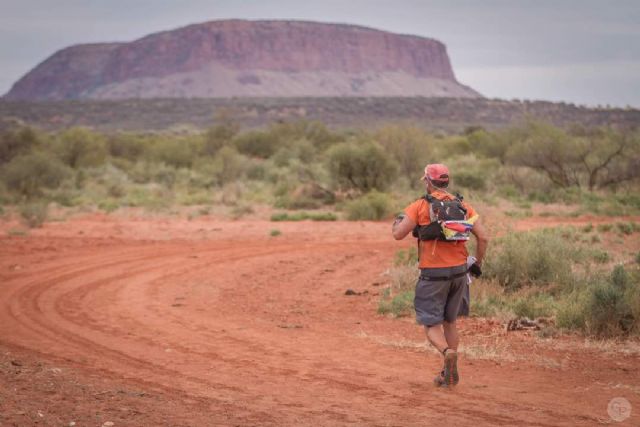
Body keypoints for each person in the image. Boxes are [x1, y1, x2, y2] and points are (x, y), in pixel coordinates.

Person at [391, 163, 489, 387]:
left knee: (431, 324)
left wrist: (398, 220)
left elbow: (398, 234)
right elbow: (483, 238)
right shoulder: (463, 205)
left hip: (433, 275)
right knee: (450, 322)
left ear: (427, 181)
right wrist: (477, 264)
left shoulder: (420, 206)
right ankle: (448, 372)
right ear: (447, 182)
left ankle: (446, 352)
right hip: (459, 273)